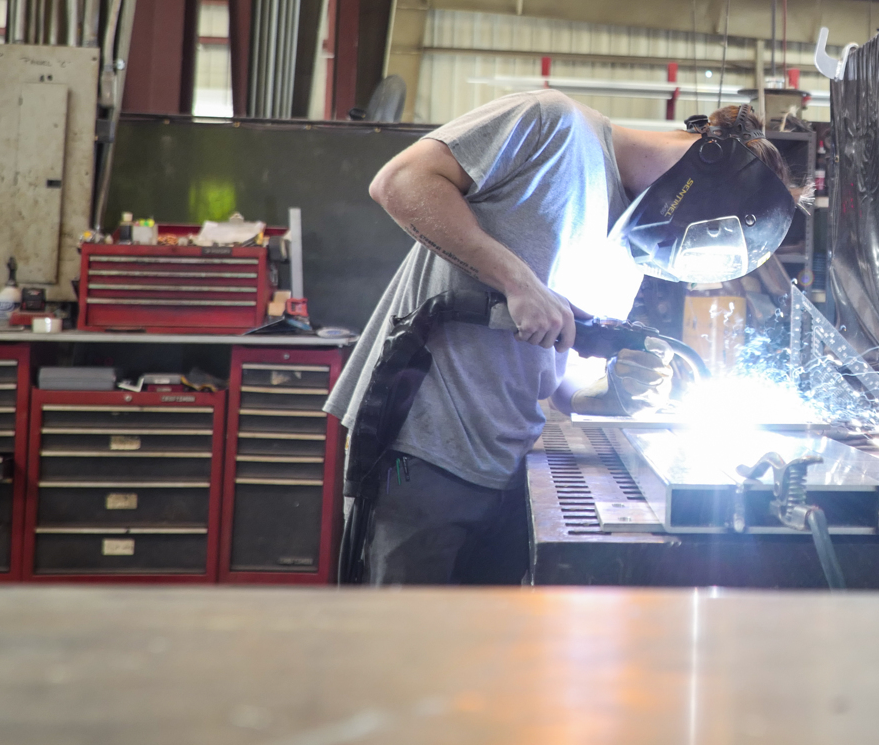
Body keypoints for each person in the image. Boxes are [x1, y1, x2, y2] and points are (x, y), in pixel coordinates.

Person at [325, 94, 794, 585]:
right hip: (418, 453)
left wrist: (617, 392)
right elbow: (399, 183)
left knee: (480, 654)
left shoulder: (630, 247)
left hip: (511, 468)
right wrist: (518, 281)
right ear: (709, 163)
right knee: (401, 646)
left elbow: (563, 383)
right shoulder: (553, 124)